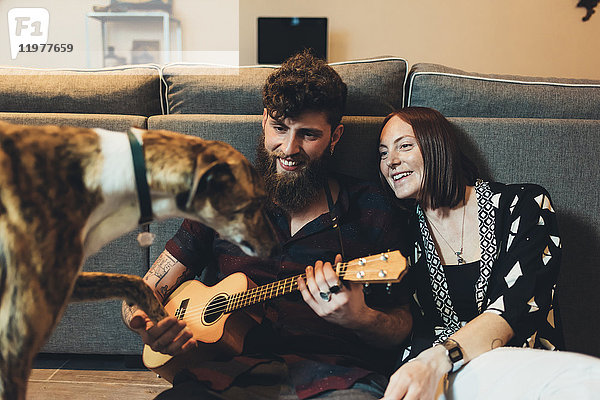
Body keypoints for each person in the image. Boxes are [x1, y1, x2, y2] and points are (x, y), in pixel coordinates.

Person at [122, 51, 413, 400]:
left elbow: (403, 325)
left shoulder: (373, 208)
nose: (288, 149)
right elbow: (145, 290)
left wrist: (361, 317)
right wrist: (147, 323)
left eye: (308, 134)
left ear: (335, 137)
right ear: (264, 122)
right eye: (279, 129)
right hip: (223, 374)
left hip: (336, 379)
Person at [377, 106, 600, 400]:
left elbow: (514, 308)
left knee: (588, 380)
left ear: (437, 145)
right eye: (382, 153)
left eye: (404, 146)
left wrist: (438, 358)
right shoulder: (398, 234)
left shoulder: (525, 206)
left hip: (514, 365)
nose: (391, 161)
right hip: (432, 380)